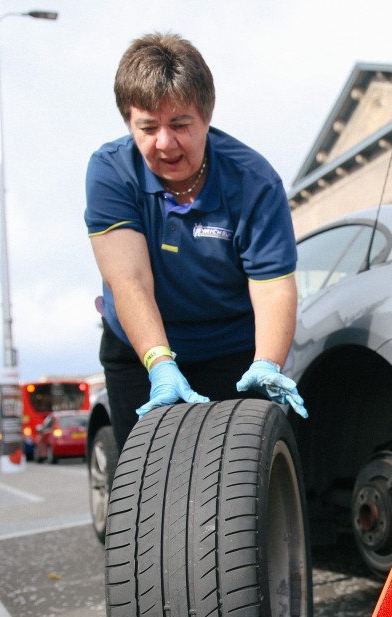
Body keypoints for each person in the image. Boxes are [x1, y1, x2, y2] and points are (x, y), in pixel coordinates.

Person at [86, 32, 307, 452]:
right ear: (128, 123)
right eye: (148, 128)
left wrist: (267, 362)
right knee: (142, 481)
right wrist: (160, 363)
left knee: (240, 475)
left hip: (230, 348)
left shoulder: (254, 182)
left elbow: (274, 285)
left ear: (206, 117)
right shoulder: (110, 172)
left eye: (180, 125)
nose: (165, 143)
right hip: (140, 350)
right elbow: (128, 279)